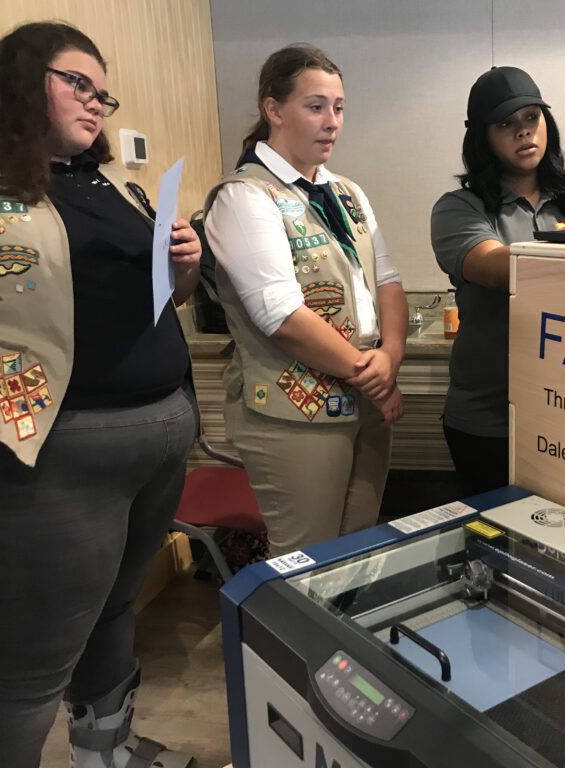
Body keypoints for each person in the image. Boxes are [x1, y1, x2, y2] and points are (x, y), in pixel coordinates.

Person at [0, 22, 201, 768]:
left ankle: (108, 751)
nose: (96, 102)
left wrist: (183, 267)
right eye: (77, 83)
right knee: (21, 673)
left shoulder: (114, 187)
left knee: (110, 616)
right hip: (46, 459)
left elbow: (150, 305)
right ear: (20, 81)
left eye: (103, 91)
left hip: (154, 440)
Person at [204, 44, 407, 557]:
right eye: (315, 106)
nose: (332, 122)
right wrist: (373, 372)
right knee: (304, 559)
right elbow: (280, 315)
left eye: (338, 108)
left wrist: (391, 358)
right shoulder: (244, 196)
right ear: (274, 110)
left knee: (356, 549)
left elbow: (388, 281)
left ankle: (339, 640)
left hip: (363, 394)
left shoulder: (346, 192)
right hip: (296, 411)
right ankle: (284, 642)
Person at [432, 66, 565, 496]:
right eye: (506, 124)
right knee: (491, 548)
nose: (523, 132)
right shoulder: (458, 208)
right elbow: (494, 267)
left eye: (531, 118)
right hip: (489, 419)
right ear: (483, 139)